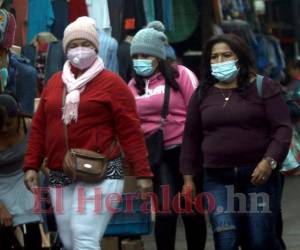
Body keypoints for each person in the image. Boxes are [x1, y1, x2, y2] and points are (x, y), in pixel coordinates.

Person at [23, 16, 153, 250]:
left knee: (84, 236)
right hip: (60, 173)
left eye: (86, 44)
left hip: (102, 171)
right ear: (65, 49)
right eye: (73, 45)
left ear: (96, 47)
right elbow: (40, 126)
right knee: (70, 241)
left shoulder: (113, 84)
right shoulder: (54, 83)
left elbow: (131, 132)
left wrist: (143, 174)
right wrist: (31, 165)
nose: (79, 50)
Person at [180, 34, 292, 250]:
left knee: (259, 240)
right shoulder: (203, 93)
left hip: (259, 177)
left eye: (226, 55)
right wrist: (188, 179)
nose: (220, 61)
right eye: (214, 57)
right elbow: (191, 137)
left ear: (239, 57)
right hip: (217, 179)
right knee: (226, 239)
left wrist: (269, 161)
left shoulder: (264, 87)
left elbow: (282, 129)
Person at [128, 22, 206, 250]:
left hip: (186, 151)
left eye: (146, 55)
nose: (141, 59)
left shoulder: (181, 75)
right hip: (157, 154)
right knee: (166, 212)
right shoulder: (132, 85)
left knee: (192, 211)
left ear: (158, 56)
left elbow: (198, 111)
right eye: (137, 55)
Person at [0, 92, 42, 249]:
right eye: (0, 125)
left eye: (9, 124)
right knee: (3, 231)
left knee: (31, 228)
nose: (4, 129)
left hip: (23, 176)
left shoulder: (30, 125)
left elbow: (41, 156)